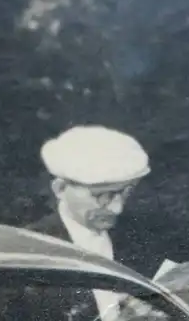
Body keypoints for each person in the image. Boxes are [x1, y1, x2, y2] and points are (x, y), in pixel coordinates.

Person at [26, 125, 152, 321]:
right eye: (102, 196)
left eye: (126, 193)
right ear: (60, 189)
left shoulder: (142, 236)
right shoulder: (28, 250)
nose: (116, 208)